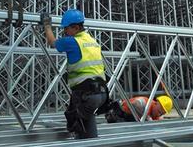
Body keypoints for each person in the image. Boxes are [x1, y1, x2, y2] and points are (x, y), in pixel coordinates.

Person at [40, 8, 108, 139]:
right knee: (85, 121)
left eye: (66, 28)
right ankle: (90, 139)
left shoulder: (72, 41)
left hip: (85, 94)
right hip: (102, 93)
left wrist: (47, 26)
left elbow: (52, 42)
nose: (65, 32)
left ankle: (83, 140)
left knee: (75, 122)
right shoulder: (92, 41)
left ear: (76, 27)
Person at [105, 95, 173, 122]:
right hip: (119, 117)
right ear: (156, 103)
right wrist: (147, 118)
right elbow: (135, 104)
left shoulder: (155, 113)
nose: (159, 114)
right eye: (159, 111)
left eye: (161, 114)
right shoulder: (144, 103)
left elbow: (158, 119)